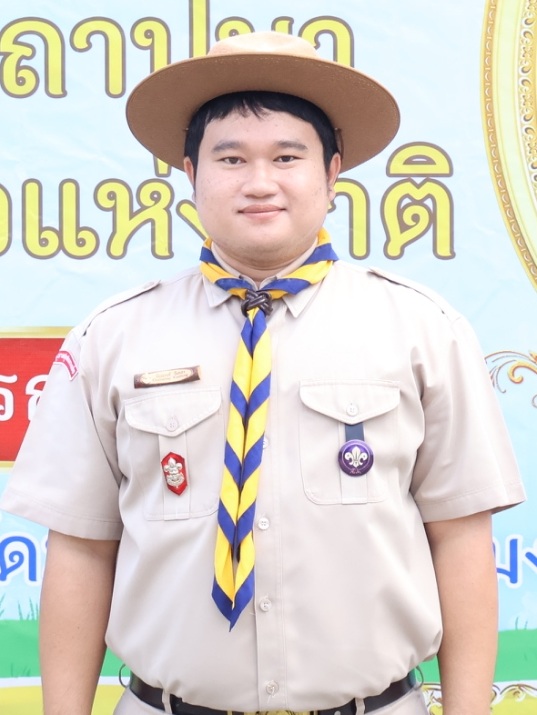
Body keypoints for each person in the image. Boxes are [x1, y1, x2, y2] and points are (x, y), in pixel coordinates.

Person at [0, 30, 526, 715]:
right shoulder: (114, 337)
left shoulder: (422, 329)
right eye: (230, 158)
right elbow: (82, 550)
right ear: (189, 174)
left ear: (331, 173)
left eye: (286, 156)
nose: (259, 182)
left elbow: (459, 538)